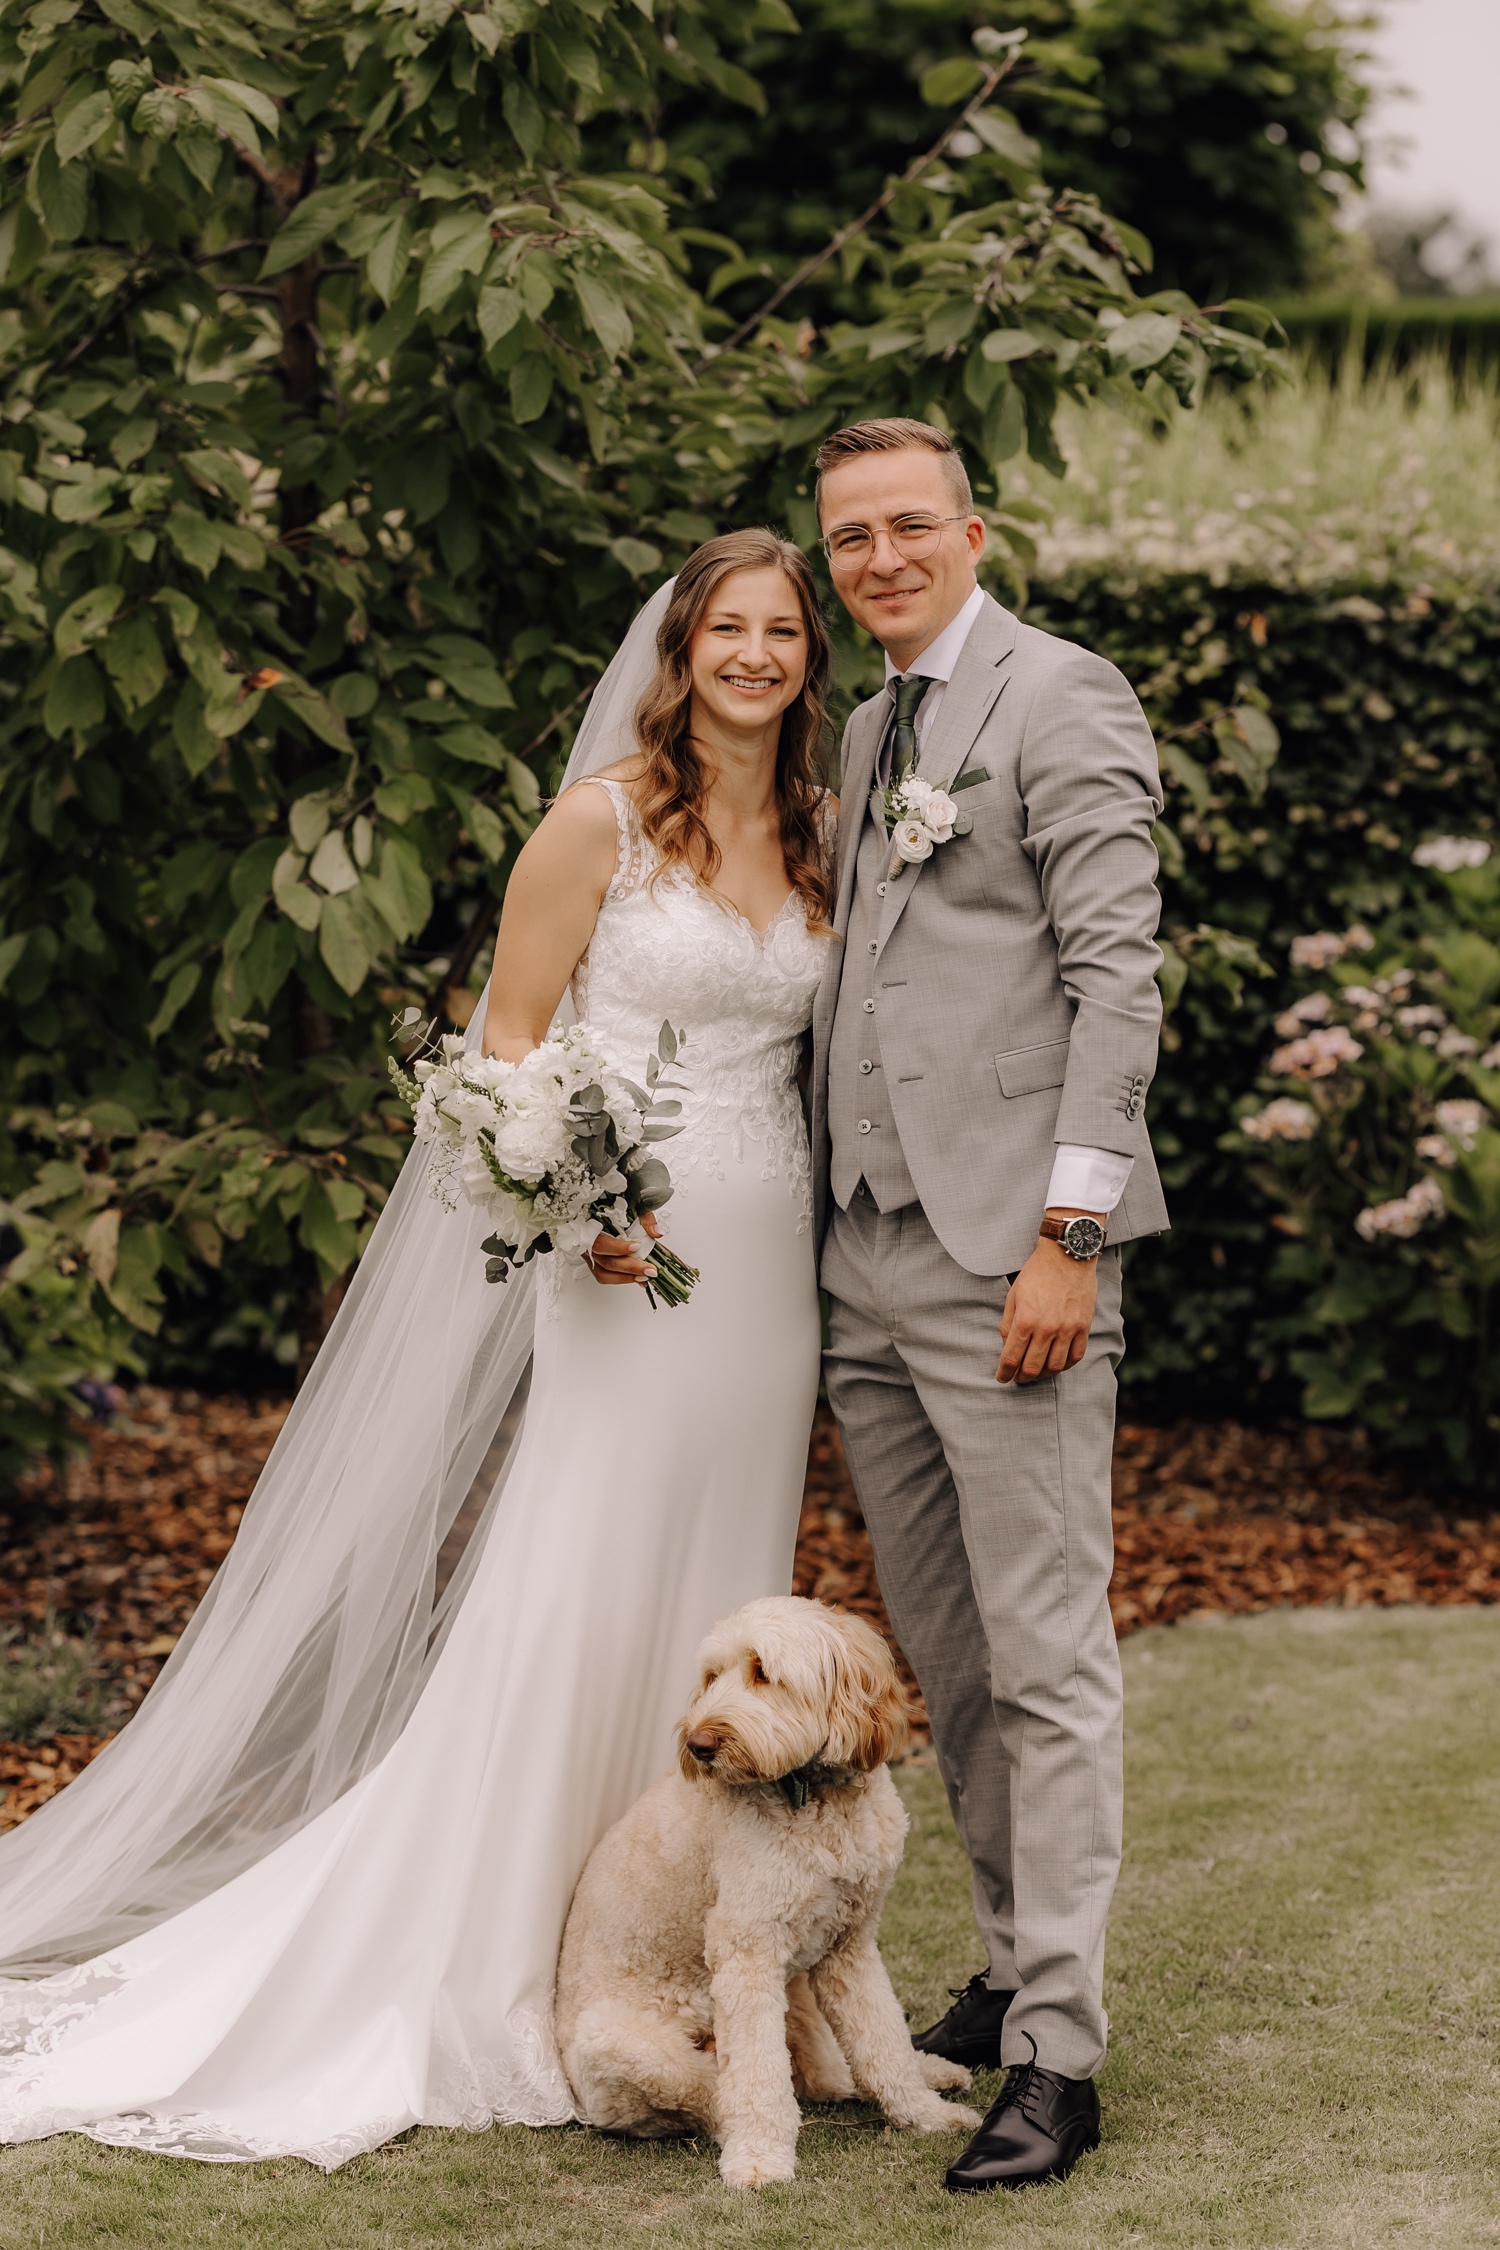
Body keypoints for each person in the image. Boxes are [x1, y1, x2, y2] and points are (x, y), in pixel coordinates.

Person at [0, 530, 835, 2166]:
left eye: (781, 629)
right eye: (725, 628)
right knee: (588, 1568)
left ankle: (679, 1941)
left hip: (771, 1270)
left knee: (720, 1583)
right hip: (624, 1261)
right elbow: (507, 1050)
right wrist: (574, 1191)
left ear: (811, 656)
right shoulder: (598, 818)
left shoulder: (813, 827)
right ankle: (501, 1932)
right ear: (680, 653)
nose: (754, 652)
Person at [810, 417, 1167, 2193]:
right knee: (951, 1662)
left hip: (1013, 1260)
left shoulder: (1063, 693)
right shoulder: (874, 728)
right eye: (850, 537)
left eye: (907, 527)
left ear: (973, 529)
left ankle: (1062, 2057)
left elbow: (1117, 977)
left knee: (1046, 1656)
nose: (879, 558)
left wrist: (1069, 1236)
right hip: (864, 1259)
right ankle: (1017, 1963)